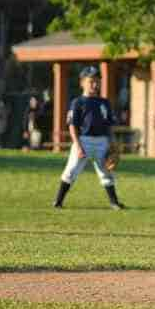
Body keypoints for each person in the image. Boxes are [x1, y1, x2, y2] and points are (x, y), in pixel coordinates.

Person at [52, 66, 126, 210]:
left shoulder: (104, 102)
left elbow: (109, 125)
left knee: (106, 172)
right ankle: (58, 201)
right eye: (91, 81)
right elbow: (72, 125)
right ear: (82, 83)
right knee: (71, 170)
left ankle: (114, 202)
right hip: (83, 140)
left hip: (102, 140)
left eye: (97, 81)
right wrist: (78, 146)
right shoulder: (78, 102)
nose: (95, 84)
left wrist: (113, 143)